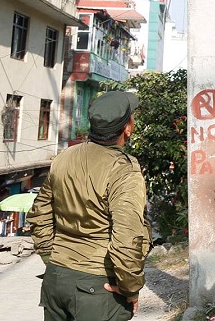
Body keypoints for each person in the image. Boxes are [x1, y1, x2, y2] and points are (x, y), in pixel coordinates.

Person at [30, 92, 149, 321]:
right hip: (97, 286)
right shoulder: (123, 170)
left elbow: (39, 214)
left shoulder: (64, 157)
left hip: (56, 279)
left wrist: (51, 259)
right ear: (127, 129)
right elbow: (127, 237)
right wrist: (130, 288)